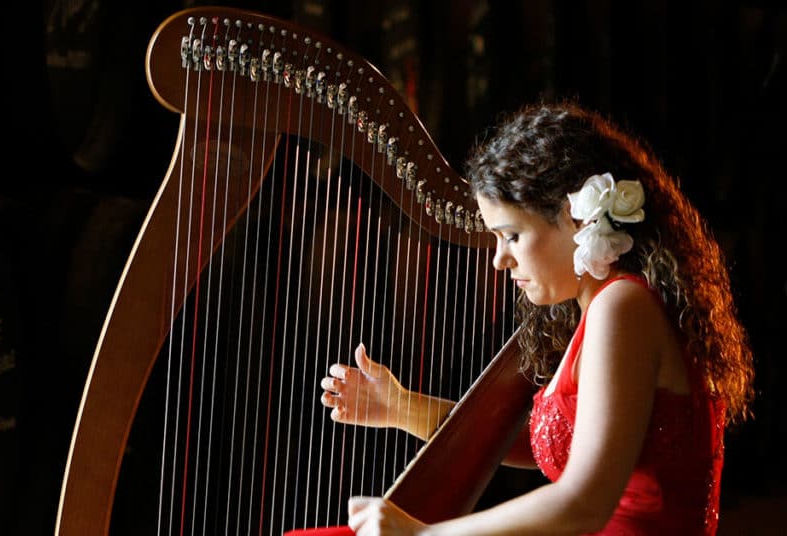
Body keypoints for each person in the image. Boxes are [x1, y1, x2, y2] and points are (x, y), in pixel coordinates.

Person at [318, 101, 754, 535]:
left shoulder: (624, 307)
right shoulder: (606, 306)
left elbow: (585, 503)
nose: (499, 260)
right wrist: (403, 406)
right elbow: (556, 442)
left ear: (574, 217)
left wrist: (422, 534)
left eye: (512, 235)